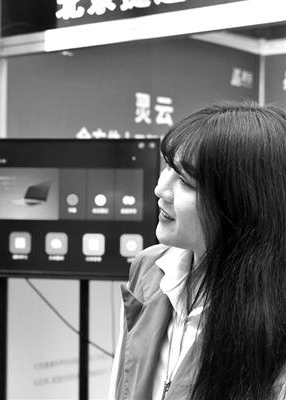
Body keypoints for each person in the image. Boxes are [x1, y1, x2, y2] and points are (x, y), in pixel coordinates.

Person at [109, 101, 286, 400]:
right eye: (168, 167)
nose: (160, 190)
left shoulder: (273, 317)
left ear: (241, 202)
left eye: (185, 181)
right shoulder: (149, 268)